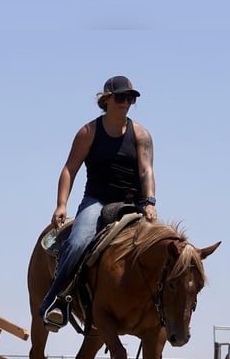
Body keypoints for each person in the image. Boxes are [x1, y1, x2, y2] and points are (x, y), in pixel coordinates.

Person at [39, 75, 157, 330]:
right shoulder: (89, 132)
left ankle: (161, 311)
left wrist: (149, 202)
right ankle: (56, 302)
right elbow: (70, 168)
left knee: (164, 250)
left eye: (131, 98)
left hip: (133, 204)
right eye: (121, 97)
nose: (126, 102)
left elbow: (147, 170)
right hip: (98, 201)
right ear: (106, 100)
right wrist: (61, 204)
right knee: (78, 241)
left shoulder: (141, 135)